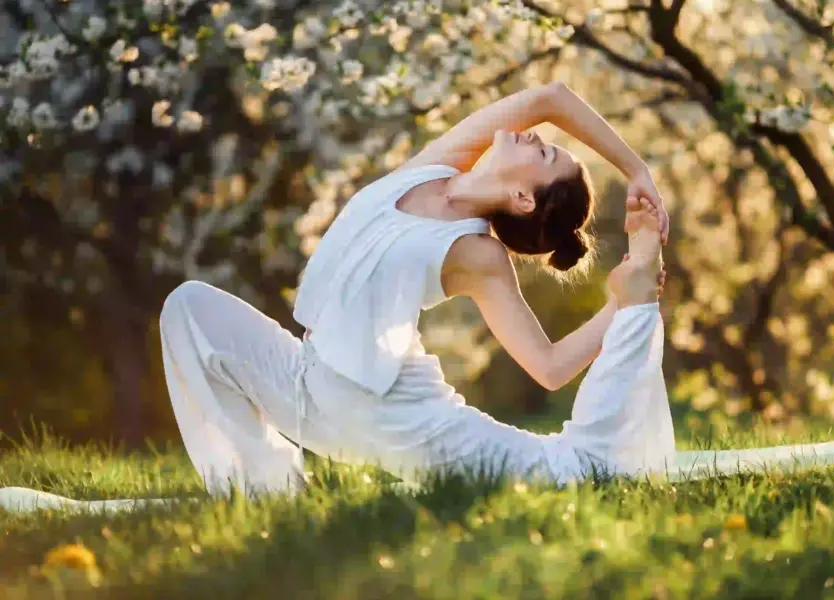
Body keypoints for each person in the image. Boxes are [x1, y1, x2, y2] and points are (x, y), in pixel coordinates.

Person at [153, 81, 677, 496]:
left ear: (521, 196)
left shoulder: (478, 254)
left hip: (406, 422)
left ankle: (638, 283)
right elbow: (549, 98)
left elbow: (550, 366)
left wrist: (619, 305)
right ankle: (267, 488)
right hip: (310, 384)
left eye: (545, 158)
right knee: (189, 310)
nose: (539, 137)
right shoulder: (434, 168)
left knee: (571, 470)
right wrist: (636, 168)